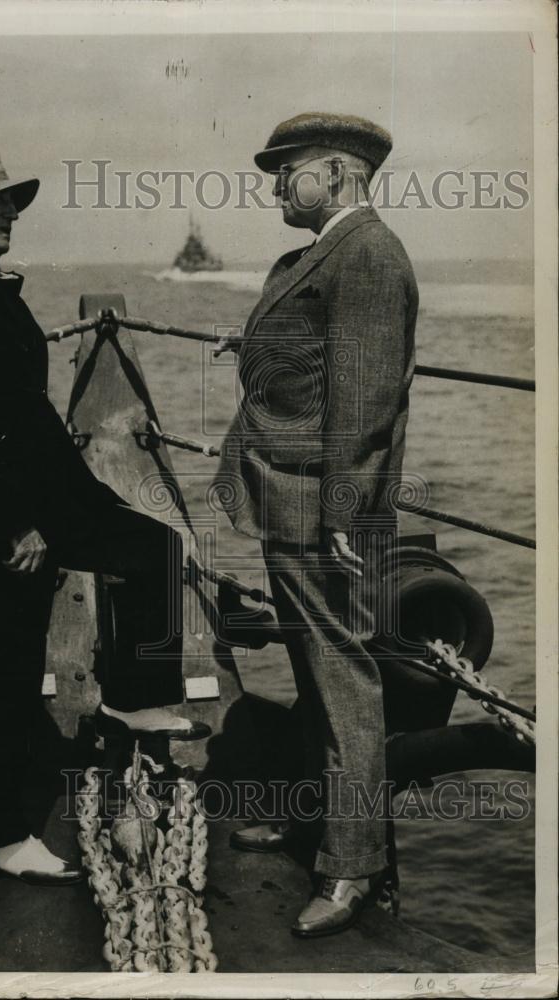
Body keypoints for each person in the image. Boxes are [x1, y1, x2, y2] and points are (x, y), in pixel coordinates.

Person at [0, 144, 208, 884]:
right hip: (1, 520)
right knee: (3, 668)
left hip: (42, 500)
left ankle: (131, 705)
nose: (12, 212)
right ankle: (4, 836)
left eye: (11, 200)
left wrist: (4, 291)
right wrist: (18, 526)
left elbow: (7, 397)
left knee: (155, 549)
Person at [215, 113, 417, 936]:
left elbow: (366, 400)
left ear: (335, 173)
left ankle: (351, 867)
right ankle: (312, 824)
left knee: (343, 687)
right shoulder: (323, 252)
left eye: (285, 170)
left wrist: (342, 512)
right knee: (313, 671)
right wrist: (258, 344)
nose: (273, 185)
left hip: (317, 505)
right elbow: (325, 354)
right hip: (288, 495)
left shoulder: (366, 253)